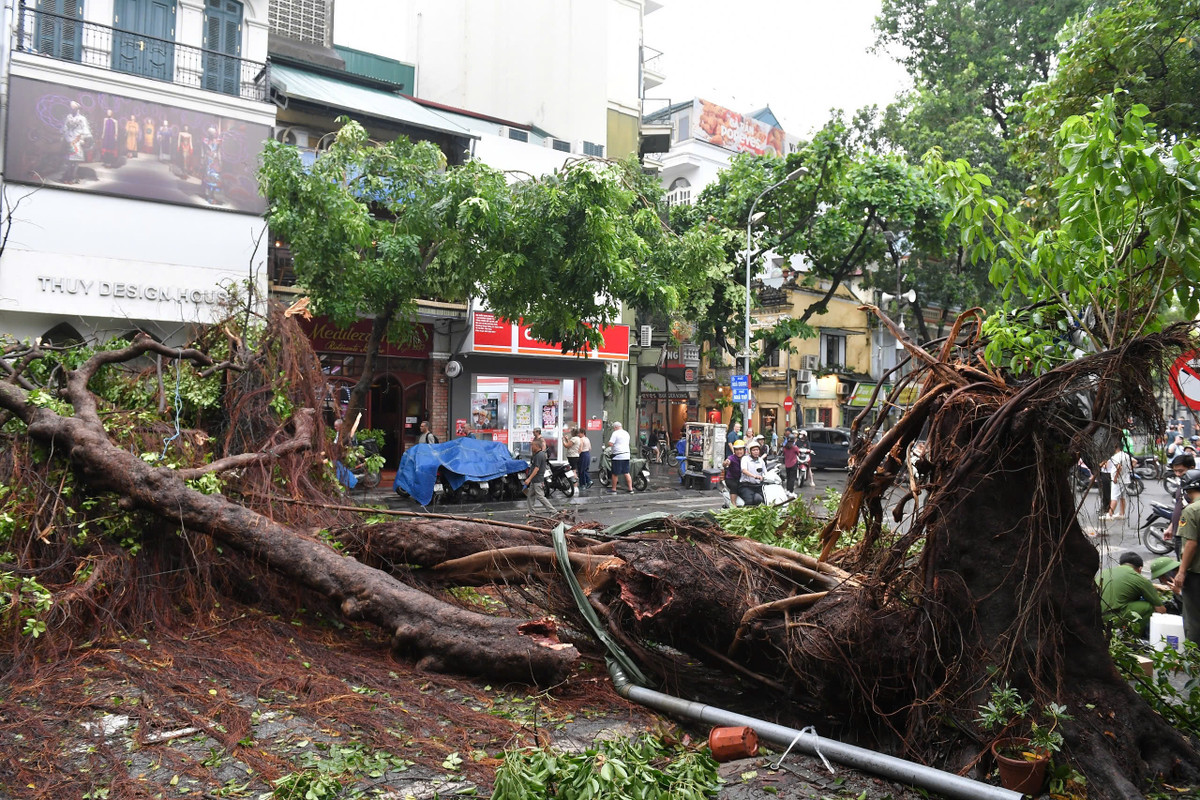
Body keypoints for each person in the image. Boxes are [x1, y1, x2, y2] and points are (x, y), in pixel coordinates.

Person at [1096, 552, 1166, 636]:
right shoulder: (1139, 579)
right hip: (1113, 618)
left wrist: (1154, 586)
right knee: (1148, 607)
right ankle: (1132, 637)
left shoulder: (1104, 572)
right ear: (1140, 569)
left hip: (1095, 617)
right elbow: (1161, 610)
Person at [1173, 474, 1200, 645]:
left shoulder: (1191, 511)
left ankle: (1194, 657)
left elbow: (1191, 543)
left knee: (1193, 617)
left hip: (1196, 574)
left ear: (1188, 490)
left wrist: (1181, 572)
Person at [61, 102, 91, 184]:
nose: (72, 109)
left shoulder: (82, 118)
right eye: (71, 108)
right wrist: (67, 138)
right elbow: (65, 128)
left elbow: (85, 129)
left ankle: (72, 177)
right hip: (69, 141)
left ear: (78, 109)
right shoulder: (68, 117)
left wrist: (82, 139)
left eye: (74, 108)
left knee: (76, 161)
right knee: (69, 161)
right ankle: (67, 177)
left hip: (77, 141)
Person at [524, 439, 556, 514]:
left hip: (537, 480)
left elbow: (536, 469)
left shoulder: (539, 455)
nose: (531, 447)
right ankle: (531, 512)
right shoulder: (537, 455)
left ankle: (553, 511)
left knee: (540, 496)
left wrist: (529, 479)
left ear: (537, 446)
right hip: (534, 480)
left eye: (533, 445)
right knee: (530, 496)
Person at [1101, 442, 1132, 519]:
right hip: (1126, 479)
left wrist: (1115, 477)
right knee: (1122, 497)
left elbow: (1119, 467)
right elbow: (1132, 463)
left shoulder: (1116, 457)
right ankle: (1122, 513)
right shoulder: (1126, 455)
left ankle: (1110, 514)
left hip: (1118, 480)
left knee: (1114, 497)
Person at [738, 441, 767, 507]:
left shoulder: (761, 460)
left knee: (764, 500)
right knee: (749, 502)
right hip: (746, 486)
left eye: (757, 450)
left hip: (758, 486)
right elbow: (744, 470)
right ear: (750, 451)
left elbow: (765, 472)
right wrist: (754, 476)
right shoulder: (745, 459)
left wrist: (763, 477)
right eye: (754, 450)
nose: (756, 451)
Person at [607, 421, 633, 493]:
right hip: (626, 454)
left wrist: (609, 444)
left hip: (617, 455)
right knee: (626, 472)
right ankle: (630, 489)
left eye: (613, 428)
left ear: (615, 427)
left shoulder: (615, 433)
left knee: (615, 473)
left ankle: (614, 489)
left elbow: (611, 443)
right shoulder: (626, 433)